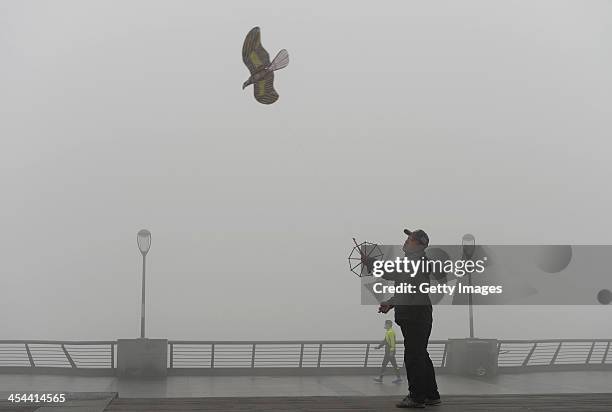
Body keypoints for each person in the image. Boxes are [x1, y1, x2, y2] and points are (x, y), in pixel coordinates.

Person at [378, 228, 441, 409]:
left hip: (415, 316)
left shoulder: (416, 263)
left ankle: (417, 397)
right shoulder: (413, 262)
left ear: (420, 245)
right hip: (419, 315)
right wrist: (391, 303)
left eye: (411, 239)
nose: (406, 241)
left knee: (414, 356)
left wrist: (371, 263)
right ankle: (431, 394)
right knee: (421, 354)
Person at [373, 320, 402, 384]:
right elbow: (385, 341)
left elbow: (393, 342)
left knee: (385, 364)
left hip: (389, 351)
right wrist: (379, 347)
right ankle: (398, 377)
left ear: (388, 325)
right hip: (388, 351)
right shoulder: (388, 332)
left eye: (386, 324)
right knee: (393, 365)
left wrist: (391, 351)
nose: (385, 325)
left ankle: (381, 378)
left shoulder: (391, 332)